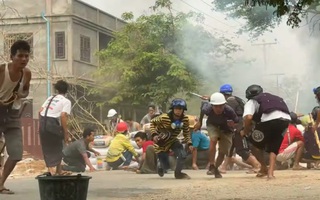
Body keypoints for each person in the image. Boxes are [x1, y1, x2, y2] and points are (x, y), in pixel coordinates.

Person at [0, 40, 32, 195]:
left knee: (16, 153)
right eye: (20, 56)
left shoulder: (27, 73)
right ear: (12, 57)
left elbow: (26, 91)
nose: (24, 59)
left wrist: (20, 94)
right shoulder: (1, 71)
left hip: (12, 114)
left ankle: (1, 183)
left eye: (26, 56)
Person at [240, 84, 290, 179]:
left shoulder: (252, 101)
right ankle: (270, 174)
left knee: (254, 143)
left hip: (269, 120)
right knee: (274, 147)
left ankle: (263, 167)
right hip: (285, 120)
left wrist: (245, 130)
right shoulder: (274, 98)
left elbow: (249, 117)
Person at [194, 92, 239, 178]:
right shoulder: (207, 108)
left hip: (226, 130)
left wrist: (233, 125)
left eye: (221, 106)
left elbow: (237, 121)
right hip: (212, 125)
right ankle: (211, 164)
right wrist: (199, 122)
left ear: (224, 105)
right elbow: (202, 109)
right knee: (213, 140)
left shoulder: (229, 110)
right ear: (212, 106)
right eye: (216, 106)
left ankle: (215, 168)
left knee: (223, 152)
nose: (218, 109)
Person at [219, 84, 260, 174]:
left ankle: (257, 165)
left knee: (242, 150)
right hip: (241, 125)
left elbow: (227, 115)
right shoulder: (237, 99)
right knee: (230, 148)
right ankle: (223, 167)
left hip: (238, 127)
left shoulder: (229, 102)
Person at [150, 98, 193, 179]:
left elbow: (186, 133)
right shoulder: (164, 117)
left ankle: (178, 173)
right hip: (161, 141)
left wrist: (189, 143)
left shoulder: (185, 119)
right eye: (176, 108)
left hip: (173, 140)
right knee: (165, 166)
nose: (178, 111)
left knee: (182, 155)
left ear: (183, 110)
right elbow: (152, 122)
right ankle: (161, 165)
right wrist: (154, 135)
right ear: (173, 109)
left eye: (180, 109)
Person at [39, 80, 71, 176]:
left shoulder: (50, 98)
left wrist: (41, 125)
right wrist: (66, 133)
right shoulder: (66, 101)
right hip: (52, 122)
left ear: (56, 89)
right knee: (58, 146)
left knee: (46, 146)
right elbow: (63, 116)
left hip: (43, 122)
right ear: (66, 90)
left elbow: (40, 110)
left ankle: (51, 170)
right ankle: (57, 171)